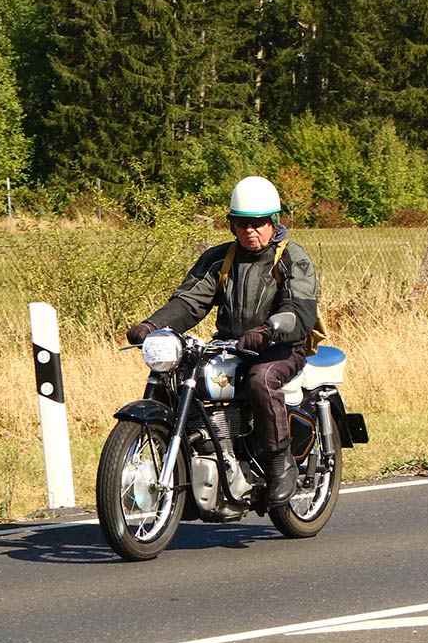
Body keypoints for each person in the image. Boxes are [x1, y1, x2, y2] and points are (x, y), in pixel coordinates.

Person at [125, 176, 321, 506]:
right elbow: (190, 302)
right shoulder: (220, 259)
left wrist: (267, 330)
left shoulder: (291, 258)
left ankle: (278, 463)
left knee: (262, 379)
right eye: (242, 223)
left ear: (273, 222)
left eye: (258, 223)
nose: (250, 230)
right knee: (180, 378)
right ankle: (195, 460)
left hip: (282, 346)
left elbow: (298, 309)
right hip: (230, 344)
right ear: (231, 225)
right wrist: (153, 324)